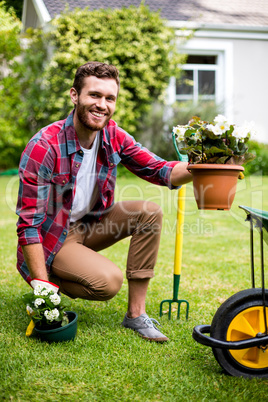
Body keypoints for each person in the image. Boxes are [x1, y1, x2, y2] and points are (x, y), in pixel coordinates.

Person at [16, 61, 192, 342]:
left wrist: (207, 165)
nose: (102, 105)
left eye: (110, 98)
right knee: (108, 282)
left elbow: (162, 171)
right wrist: (42, 289)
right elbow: (29, 224)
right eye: (94, 95)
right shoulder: (45, 146)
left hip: (91, 224)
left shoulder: (113, 135)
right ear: (75, 96)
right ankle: (49, 279)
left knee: (149, 212)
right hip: (57, 238)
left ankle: (136, 315)